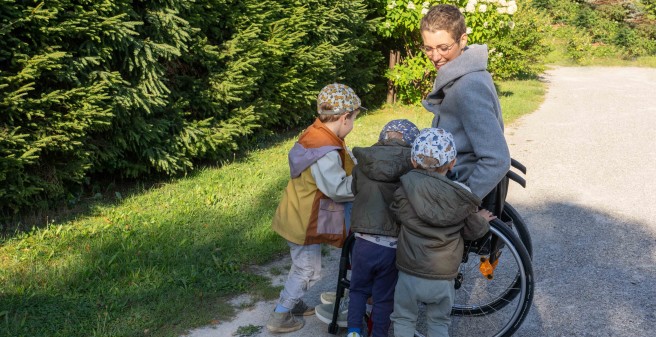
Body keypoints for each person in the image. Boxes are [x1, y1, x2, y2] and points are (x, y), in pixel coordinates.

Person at [267, 83, 364, 333]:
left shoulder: (317, 133)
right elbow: (338, 189)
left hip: (296, 213)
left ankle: (293, 301)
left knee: (302, 265)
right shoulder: (325, 151)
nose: (352, 124)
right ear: (344, 118)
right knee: (308, 269)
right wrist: (364, 180)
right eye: (353, 119)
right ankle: (281, 315)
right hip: (303, 220)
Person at [315, 119, 420, 337]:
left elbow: (353, 189)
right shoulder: (412, 167)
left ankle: (354, 331)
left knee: (358, 290)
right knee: (383, 297)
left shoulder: (365, 162)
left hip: (362, 241)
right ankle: (378, 333)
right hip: (391, 245)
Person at [389, 128, 495, 337]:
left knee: (403, 319)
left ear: (413, 161)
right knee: (438, 323)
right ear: (452, 163)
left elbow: (396, 213)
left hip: (409, 272)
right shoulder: (460, 196)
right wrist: (482, 220)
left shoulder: (404, 190)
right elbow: (471, 230)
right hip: (442, 276)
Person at [420, 4, 511, 202]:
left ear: (462, 40)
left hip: (459, 185)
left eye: (443, 48)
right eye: (428, 48)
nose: (435, 57)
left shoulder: (468, 86)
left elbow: (497, 159)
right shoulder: (462, 73)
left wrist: (464, 199)